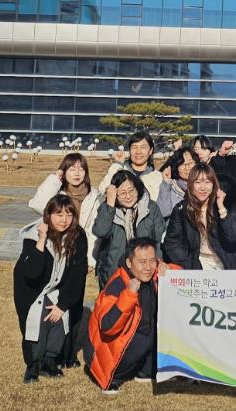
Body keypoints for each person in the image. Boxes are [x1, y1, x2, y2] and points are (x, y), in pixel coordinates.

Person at [28, 153, 100, 369]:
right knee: (54, 300)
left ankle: (70, 354)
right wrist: (54, 179)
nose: (77, 173)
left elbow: (94, 230)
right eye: (71, 168)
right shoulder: (57, 193)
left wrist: (91, 259)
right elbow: (36, 204)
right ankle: (53, 352)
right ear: (64, 171)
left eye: (81, 168)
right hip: (57, 252)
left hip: (80, 252)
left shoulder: (94, 195)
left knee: (75, 303)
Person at [84, 237, 176, 395]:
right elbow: (107, 327)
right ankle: (114, 378)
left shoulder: (155, 272)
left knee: (159, 329)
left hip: (139, 337)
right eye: (142, 262)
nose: (148, 267)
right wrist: (128, 294)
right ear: (129, 263)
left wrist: (169, 269)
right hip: (105, 353)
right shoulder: (117, 285)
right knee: (142, 339)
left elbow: (184, 278)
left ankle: (145, 371)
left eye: (152, 261)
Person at [14, 195, 87, 383]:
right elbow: (32, 273)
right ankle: (32, 365)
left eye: (69, 214)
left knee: (58, 321)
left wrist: (63, 304)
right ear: (48, 215)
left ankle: (49, 361)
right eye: (59, 214)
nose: (64, 219)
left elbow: (77, 274)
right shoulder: (33, 235)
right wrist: (41, 240)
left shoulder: (78, 236)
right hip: (32, 288)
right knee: (36, 322)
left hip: (57, 285)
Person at [93, 170, 166, 290]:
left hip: (146, 270)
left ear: (138, 188)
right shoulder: (108, 209)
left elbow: (158, 239)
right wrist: (110, 204)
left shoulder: (151, 208)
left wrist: (159, 262)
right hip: (115, 271)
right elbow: (100, 231)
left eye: (131, 191)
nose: (128, 196)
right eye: (122, 193)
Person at [163, 163, 236, 270]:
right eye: (197, 182)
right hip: (200, 262)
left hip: (227, 263)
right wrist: (189, 264)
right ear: (190, 184)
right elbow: (172, 242)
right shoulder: (181, 209)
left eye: (207, 182)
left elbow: (234, 237)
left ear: (214, 184)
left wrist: (221, 208)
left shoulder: (225, 204)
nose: (203, 188)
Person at [98, 131, 163, 202]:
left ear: (150, 151)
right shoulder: (118, 169)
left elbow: (155, 202)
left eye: (143, 147)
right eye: (134, 147)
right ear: (129, 150)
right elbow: (103, 191)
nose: (138, 152)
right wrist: (117, 164)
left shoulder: (158, 177)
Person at [156, 147, 197, 219]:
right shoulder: (172, 187)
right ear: (176, 167)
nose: (187, 167)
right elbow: (163, 212)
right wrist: (166, 182)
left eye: (190, 163)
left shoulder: (204, 184)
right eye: (182, 164)